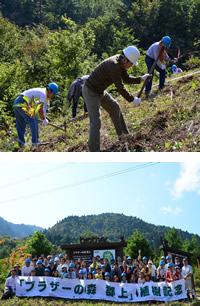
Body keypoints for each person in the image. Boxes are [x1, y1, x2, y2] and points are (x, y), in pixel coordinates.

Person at [82, 46, 151, 151]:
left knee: (115, 108)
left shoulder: (120, 62)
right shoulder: (114, 66)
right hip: (90, 91)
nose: (130, 66)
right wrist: (132, 99)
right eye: (131, 64)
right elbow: (121, 88)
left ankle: (124, 137)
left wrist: (141, 79)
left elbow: (126, 79)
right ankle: (94, 151)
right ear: (125, 59)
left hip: (100, 91)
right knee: (96, 122)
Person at [14, 82, 59, 147]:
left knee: (21, 124)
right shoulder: (44, 94)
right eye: (53, 94)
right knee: (33, 121)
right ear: (50, 91)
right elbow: (40, 109)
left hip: (17, 101)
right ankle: (35, 143)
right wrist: (44, 119)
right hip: (22, 102)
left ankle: (21, 145)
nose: (52, 96)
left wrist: (43, 116)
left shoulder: (42, 91)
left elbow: (38, 106)